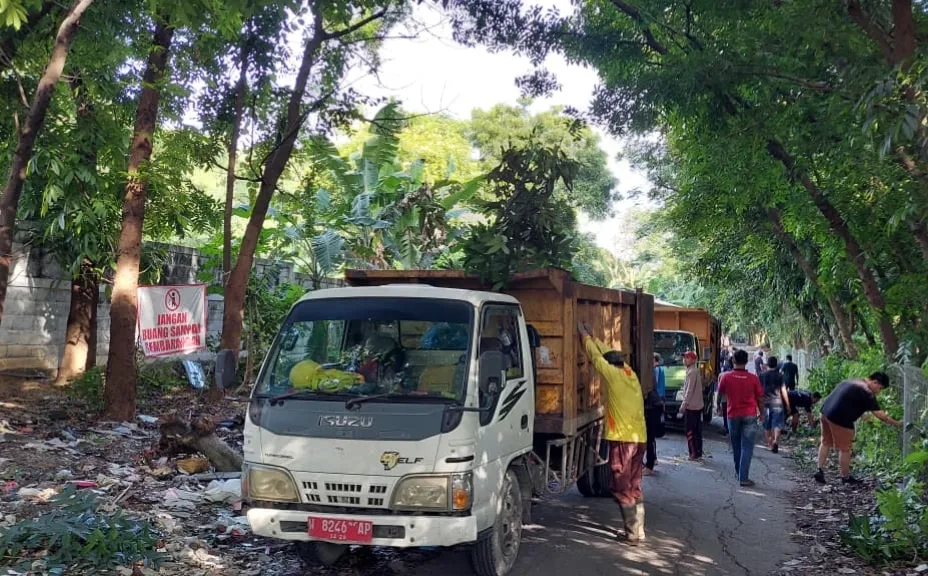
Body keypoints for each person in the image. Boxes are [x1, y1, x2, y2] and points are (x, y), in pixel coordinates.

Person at [578, 322, 647, 544]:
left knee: (620, 485)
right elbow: (608, 355)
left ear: (611, 366)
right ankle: (639, 531)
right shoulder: (630, 374)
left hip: (623, 438)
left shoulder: (613, 375)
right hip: (640, 438)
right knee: (634, 485)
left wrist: (585, 337)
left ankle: (631, 534)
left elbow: (597, 359)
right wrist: (595, 337)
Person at [815, 372, 900, 484]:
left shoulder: (853, 381)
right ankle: (845, 477)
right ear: (875, 382)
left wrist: (863, 415)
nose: (878, 391)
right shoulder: (867, 392)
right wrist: (898, 424)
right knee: (845, 449)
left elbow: (847, 400)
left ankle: (819, 470)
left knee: (825, 442)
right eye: (880, 388)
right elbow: (881, 416)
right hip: (840, 419)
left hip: (825, 412)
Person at [717, 349, 765, 487]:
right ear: (746, 362)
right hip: (750, 415)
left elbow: (720, 394)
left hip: (732, 415)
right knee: (747, 447)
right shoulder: (753, 379)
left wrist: (719, 406)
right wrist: (762, 413)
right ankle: (743, 477)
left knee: (736, 446)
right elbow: (760, 398)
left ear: (733, 361)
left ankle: (739, 473)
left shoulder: (726, 377)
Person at [760, 356, 790, 453]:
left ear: (767, 364)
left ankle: (770, 443)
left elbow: (758, 390)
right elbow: (783, 390)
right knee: (777, 424)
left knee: (766, 425)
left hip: (765, 403)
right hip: (778, 403)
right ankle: (776, 441)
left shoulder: (762, 375)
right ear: (776, 364)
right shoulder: (780, 376)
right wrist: (788, 404)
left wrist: (757, 405)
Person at [678, 350, 704, 461]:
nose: (685, 359)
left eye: (687, 357)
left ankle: (693, 453)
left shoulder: (692, 372)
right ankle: (697, 452)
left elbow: (689, 390)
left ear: (693, 360)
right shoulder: (693, 371)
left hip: (691, 407)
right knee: (696, 430)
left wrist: (684, 405)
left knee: (690, 431)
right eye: (684, 357)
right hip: (697, 406)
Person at [644, 354, 666, 475]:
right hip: (656, 404)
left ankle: (650, 464)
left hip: (653, 407)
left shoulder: (654, 371)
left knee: (650, 437)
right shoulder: (657, 370)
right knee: (650, 438)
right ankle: (651, 461)